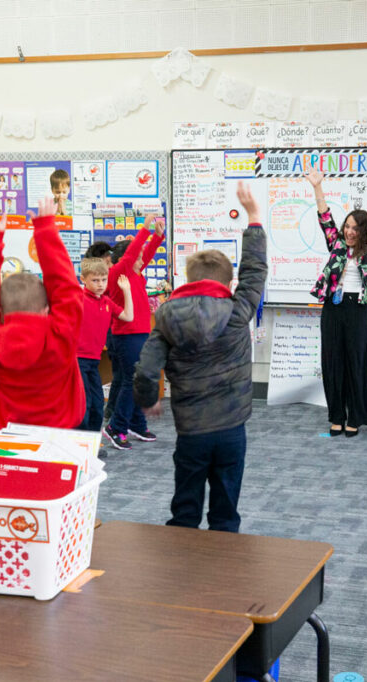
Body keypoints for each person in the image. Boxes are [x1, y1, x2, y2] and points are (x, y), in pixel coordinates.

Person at [133, 182, 267, 533]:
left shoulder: (165, 315)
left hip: (191, 430)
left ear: (188, 280)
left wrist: (148, 402)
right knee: (225, 513)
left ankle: (181, 570)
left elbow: (147, 370)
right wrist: (253, 218)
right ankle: (218, 572)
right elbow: (255, 273)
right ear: (227, 282)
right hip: (231, 428)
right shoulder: (238, 311)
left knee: (185, 508)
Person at [0, 197, 85, 429]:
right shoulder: (60, 336)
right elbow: (67, 286)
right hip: (61, 435)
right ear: (47, 309)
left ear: (0, 311)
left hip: (11, 436)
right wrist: (46, 230)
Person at [306, 169, 367, 437]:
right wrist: (318, 187)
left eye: (355, 228)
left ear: (364, 231)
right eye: (347, 226)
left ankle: (355, 416)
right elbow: (324, 216)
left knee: (356, 362)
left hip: (358, 309)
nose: (349, 231)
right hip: (333, 308)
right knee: (333, 362)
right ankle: (336, 415)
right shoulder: (336, 244)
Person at [103, 215, 164, 449]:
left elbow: (144, 253)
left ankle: (136, 423)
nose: (142, 259)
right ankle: (116, 427)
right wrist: (145, 227)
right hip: (126, 336)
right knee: (131, 381)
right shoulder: (120, 272)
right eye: (137, 256)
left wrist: (158, 236)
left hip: (138, 334)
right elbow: (134, 253)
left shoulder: (135, 272)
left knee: (136, 381)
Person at [77, 258, 133, 433]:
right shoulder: (77, 299)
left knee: (97, 403)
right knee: (83, 404)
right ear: (83, 279)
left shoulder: (107, 302)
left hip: (93, 361)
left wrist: (127, 291)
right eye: (95, 280)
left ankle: (91, 444)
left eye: (103, 280)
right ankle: (81, 445)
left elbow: (128, 317)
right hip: (77, 360)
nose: (100, 284)